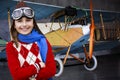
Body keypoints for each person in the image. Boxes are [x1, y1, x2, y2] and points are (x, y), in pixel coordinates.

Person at [6, 1, 56, 80]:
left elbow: (51, 70)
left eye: (28, 20)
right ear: (14, 25)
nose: (24, 24)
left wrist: (27, 75)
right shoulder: (11, 46)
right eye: (19, 21)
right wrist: (38, 66)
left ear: (33, 23)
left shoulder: (43, 41)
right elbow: (17, 75)